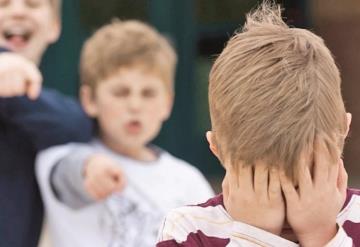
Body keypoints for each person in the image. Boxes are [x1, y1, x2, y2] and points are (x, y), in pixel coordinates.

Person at [156, 2, 360, 246]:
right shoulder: (188, 229)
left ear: (343, 130)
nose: (288, 204)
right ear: (216, 149)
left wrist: (322, 236)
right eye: (263, 180)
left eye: (304, 179)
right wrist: (253, 236)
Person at [36, 20, 214, 247]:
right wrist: (86, 169)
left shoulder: (189, 181)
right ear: (89, 100)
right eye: (121, 93)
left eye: (148, 93)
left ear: (167, 103)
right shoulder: (61, 155)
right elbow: (64, 174)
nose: (135, 105)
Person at [0, 0, 93, 246]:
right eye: (3, 4)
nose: (17, 11)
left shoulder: (50, 112)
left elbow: (76, 124)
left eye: (32, 4)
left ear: (54, 27)